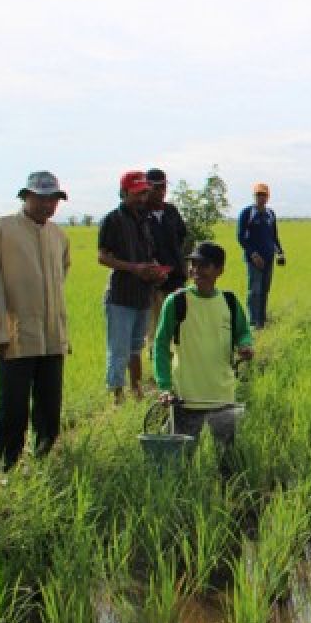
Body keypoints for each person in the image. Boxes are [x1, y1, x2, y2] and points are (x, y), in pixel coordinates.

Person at [0, 171, 70, 470]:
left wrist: (62, 333)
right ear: (25, 197)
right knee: (13, 408)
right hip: (16, 336)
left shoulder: (59, 235)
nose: (47, 205)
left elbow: (59, 281)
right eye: (40, 198)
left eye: (52, 199)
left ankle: (41, 461)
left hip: (53, 336)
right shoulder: (0, 229)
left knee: (49, 407)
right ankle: (9, 465)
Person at [153, 242, 253, 447]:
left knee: (227, 457)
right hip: (186, 398)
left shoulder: (229, 302)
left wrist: (245, 346)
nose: (195, 270)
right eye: (193, 264)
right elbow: (161, 345)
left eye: (203, 265)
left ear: (219, 270)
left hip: (222, 396)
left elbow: (243, 332)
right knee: (183, 459)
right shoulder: (177, 301)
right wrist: (164, 386)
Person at [98, 171, 163, 403]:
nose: (142, 197)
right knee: (119, 350)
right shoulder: (112, 220)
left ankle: (136, 390)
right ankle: (117, 397)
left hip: (143, 294)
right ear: (124, 193)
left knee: (136, 347)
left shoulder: (144, 220)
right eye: (137, 193)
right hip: (120, 296)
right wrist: (134, 268)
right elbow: (103, 257)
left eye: (144, 192)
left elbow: (149, 253)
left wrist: (155, 269)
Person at [144, 168, 189, 355]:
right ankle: (157, 363)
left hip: (176, 277)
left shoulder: (171, 211)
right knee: (156, 325)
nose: (161, 192)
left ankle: (179, 361)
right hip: (154, 281)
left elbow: (182, 236)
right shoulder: (141, 214)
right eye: (156, 188)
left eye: (163, 187)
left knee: (180, 321)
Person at [237, 182, 285, 329]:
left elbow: (274, 236)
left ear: (268, 196)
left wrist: (280, 252)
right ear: (254, 196)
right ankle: (253, 323)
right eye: (258, 194)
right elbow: (241, 237)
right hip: (254, 260)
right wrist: (253, 254)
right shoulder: (247, 213)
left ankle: (262, 321)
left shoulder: (270, 214)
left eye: (263, 194)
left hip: (269, 257)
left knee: (265, 289)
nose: (261, 197)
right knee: (254, 291)